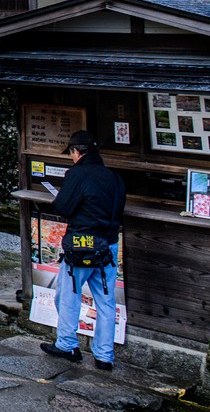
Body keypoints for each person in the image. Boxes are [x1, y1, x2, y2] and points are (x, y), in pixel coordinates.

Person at [41, 129, 126, 372]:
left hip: (82, 244)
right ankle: (104, 356)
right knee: (105, 300)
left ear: (76, 152)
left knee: (69, 295)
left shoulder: (76, 174)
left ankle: (68, 345)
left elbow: (64, 207)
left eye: (71, 153)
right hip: (108, 244)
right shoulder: (114, 177)